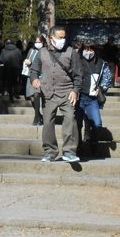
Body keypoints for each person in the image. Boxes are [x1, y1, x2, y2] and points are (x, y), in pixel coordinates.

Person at [30, 26, 82, 162]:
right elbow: (34, 70)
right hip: (48, 93)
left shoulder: (71, 52)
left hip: (67, 92)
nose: (63, 40)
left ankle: (69, 151)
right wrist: (34, 79)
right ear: (51, 37)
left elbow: (78, 75)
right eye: (60, 37)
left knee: (70, 119)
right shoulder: (41, 52)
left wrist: (75, 90)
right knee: (47, 123)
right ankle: (50, 151)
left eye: (64, 37)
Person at [75, 43, 113, 154]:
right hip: (79, 98)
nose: (89, 52)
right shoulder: (76, 62)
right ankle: (78, 146)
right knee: (77, 124)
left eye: (91, 49)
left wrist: (102, 88)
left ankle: (93, 142)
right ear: (82, 49)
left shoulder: (101, 63)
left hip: (92, 99)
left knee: (97, 123)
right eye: (86, 49)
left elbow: (107, 78)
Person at [23, 35, 46, 125]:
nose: (37, 44)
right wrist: (27, 62)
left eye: (39, 42)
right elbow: (28, 59)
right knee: (31, 97)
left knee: (37, 95)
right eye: (36, 42)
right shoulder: (31, 50)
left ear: (43, 42)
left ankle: (36, 118)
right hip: (30, 75)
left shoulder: (45, 51)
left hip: (40, 76)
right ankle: (39, 115)